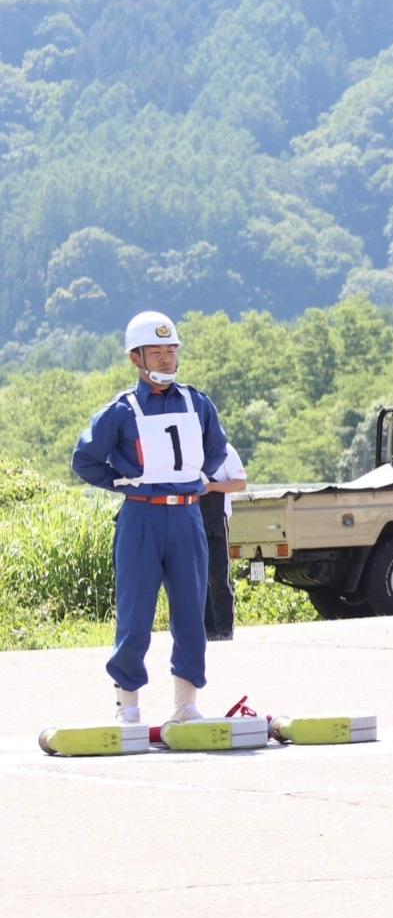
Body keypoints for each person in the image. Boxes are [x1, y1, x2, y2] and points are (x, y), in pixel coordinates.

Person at [71, 311, 231, 726]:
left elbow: (217, 450)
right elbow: (85, 459)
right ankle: (129, 707)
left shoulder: (197, 402)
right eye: (156, 352)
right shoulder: (121, 411)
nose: (165, 360)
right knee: (135, 613)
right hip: (141, 518)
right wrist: (124, 484)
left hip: (188, 518)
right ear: (135, 359)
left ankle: (186, 705)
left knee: (192, 614)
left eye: (171, 351)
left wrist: (195, 481)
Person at [199, 441, 249, 639]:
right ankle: (207, 629)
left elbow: (241, 483)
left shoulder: (224, 449)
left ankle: (224, 628)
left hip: (216, 519)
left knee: (218, 576)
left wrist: (211, 487)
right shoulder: (188, 448)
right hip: (192, 519)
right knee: (198, 578)